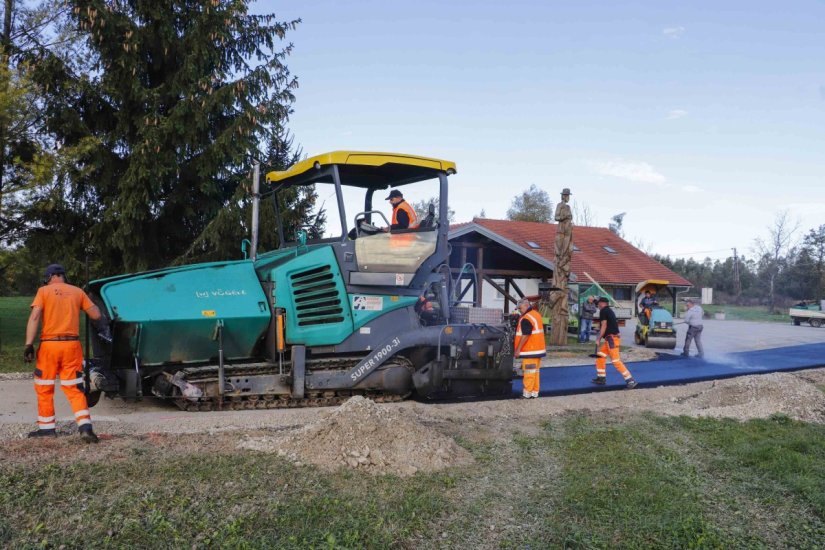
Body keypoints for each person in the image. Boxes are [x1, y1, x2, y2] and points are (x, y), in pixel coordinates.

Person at [24, 264, 106, 443]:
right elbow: (95, 314)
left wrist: (28, 344)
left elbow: (35, 317)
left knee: (44, 387)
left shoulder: (43, 291)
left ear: (50, 277)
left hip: (49, 346)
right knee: (75, 388)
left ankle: (47, 430)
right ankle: (85, 428)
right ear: (63, 276)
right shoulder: (77, 292)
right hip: (72, 346)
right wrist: (88, 300)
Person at [592, 297, 637, 389]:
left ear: (602, 303)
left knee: (616, 360)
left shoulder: (603, 311)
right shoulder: (609, 311)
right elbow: (612, 324)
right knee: (600, 356)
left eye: (598, 303)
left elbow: (604, 325)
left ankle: (630, 380)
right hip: (611, 338)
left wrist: (598, 338)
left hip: (611, 339)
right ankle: (601, 378)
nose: (598, 305)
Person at [514, 297, 546, 399]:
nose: (519, 310)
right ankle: (534, 392)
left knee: (529, 372)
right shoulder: (536, 314)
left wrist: (518, 349)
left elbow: (526, 335)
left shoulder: (526, 318)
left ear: (526, 305)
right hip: (538, 349)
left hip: (530, 350)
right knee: (535, 372)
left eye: (520, 308)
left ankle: (527, 393)